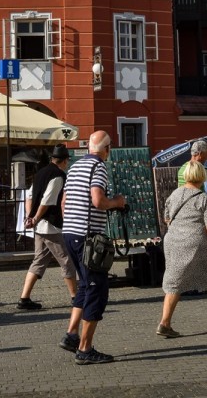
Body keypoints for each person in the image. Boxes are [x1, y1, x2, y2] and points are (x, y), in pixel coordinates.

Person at [61, 130, 127, 365]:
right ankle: (85, 349)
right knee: (96, 289)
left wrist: (72, 222)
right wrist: (117, 203)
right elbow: (98, 200)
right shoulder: (98, 167)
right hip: (88, 237)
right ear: (106, 149)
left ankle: (71, 335)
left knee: (84, 285)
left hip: (70, 233)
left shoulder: (75, 167)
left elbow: (64, 202)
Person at [156, 160, 207, 337]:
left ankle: (165, 323)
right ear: (202, 176)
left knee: (174, 282)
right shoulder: (203, 198)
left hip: (173, 242)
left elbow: (167, 219)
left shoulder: (174, 195)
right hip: (197, 244)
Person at [17, 144, 77, 311]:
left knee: (39, 261)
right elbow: (48, 200)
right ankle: (76, 297)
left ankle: (24, 298)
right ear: (64, 161)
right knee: (66, 260)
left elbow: (28, 196)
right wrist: (35, 218)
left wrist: (30, 217)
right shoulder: (57, 175)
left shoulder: (40, 173)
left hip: (40, 227)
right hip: (51, 226)